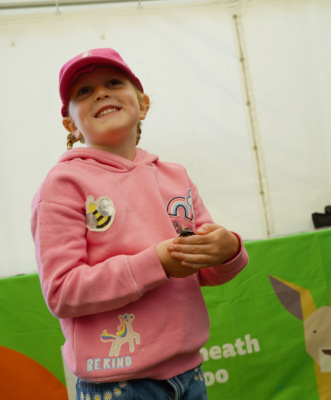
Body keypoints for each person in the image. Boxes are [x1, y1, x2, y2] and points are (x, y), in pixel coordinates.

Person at [31, 48, 249, 400]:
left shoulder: (176, 176)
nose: (100, 93)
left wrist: (228, 249)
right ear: (70, 125)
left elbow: (208, 269)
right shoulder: (62, 183)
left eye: (113, 83)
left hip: (190, 373)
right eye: (84, 91)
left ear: (143, 104)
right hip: (117, 384)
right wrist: (156, 264)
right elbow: (62, 291)